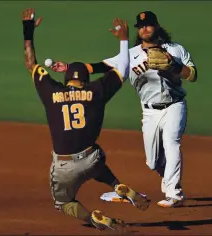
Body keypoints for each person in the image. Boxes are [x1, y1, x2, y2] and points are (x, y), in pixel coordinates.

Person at [51, 11, 198, 208]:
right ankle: (169, 178)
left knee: (172, 142)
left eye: (149, 25)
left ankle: (174, 193)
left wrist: (175, 66)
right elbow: (101, 66)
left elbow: (193, 74)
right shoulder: (130, 55)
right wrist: (70, 67)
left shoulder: (175, 50)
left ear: (156, 26)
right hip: (149, 112)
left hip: (174, 105)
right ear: (139, 30)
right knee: (153, 161)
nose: (145, 28)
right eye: (141, 26)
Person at [21, 8, 150, 231]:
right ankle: (117, 185)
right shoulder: (97, 91)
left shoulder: (51, 92)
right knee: (96, 164)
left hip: (64, 166)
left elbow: (31, 64)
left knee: (63, 203)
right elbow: (124, 70)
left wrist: (28, 32)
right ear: (87, 79)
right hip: (92, 158)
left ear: (66, 78)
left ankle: (94, 219)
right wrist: (124, 40)